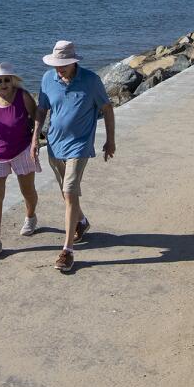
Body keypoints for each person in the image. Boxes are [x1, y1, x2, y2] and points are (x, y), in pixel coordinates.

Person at [31, 40, 115, 272]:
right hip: (54, 145)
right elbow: (42, 109)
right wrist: (35, 138)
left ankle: (67, 251)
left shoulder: (91, 81)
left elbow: (107, 108)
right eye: (57, 64)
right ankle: (82, 222)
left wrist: (110, 139)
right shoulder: (48, 79)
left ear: (74, 61)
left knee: (69, 191)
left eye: (65, 64)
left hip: (79, 146)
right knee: (67, 195)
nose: (60, 68)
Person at [0, 63, 40, 258]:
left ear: (13, 81)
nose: (3, 83)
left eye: (6, 80)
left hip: (22, 150)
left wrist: (36, 138)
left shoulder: (23, 96)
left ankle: (30, 216)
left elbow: (37, 116)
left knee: (28, 191)